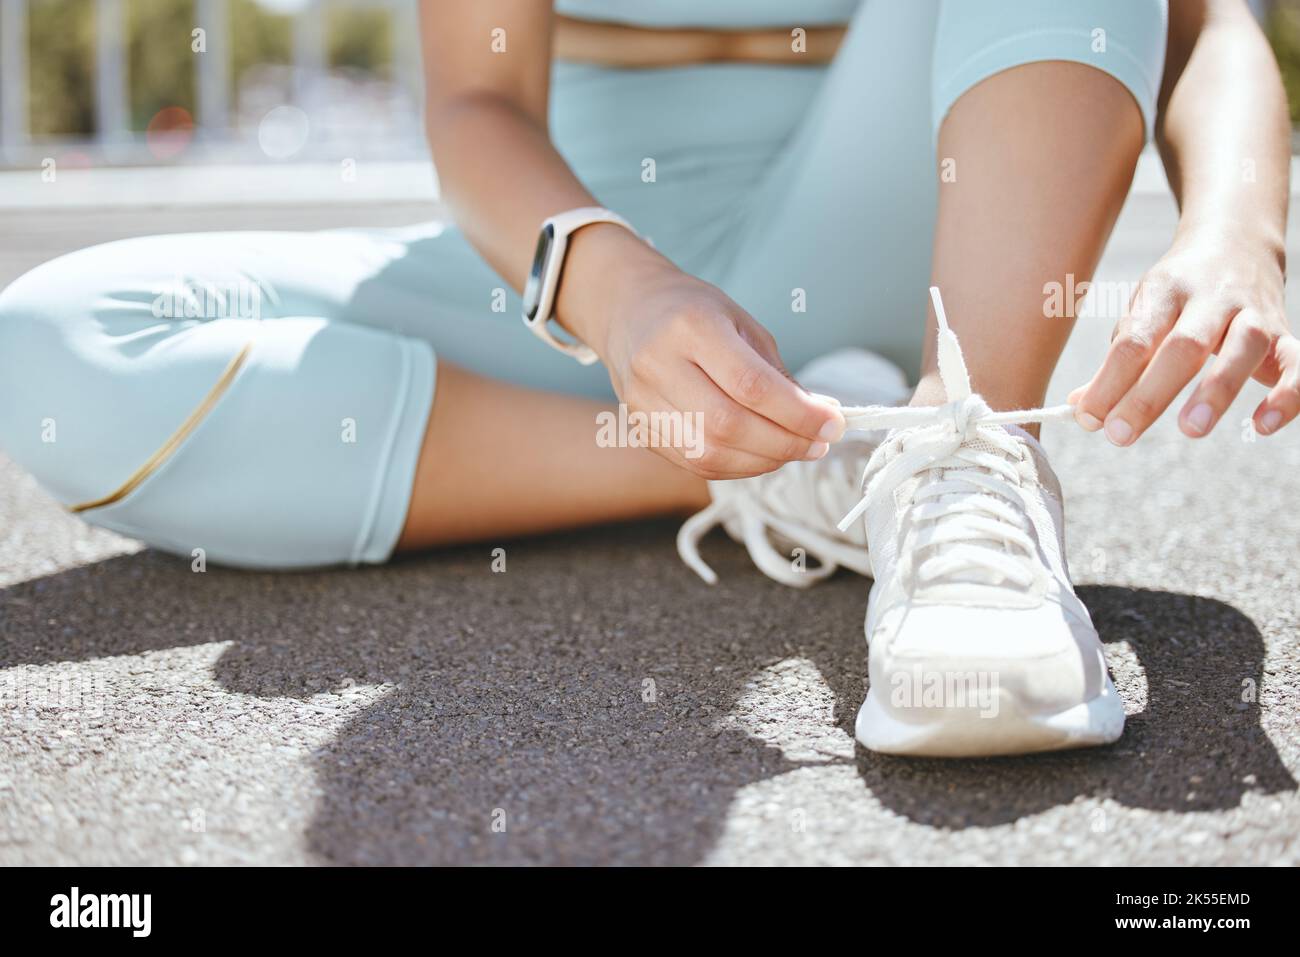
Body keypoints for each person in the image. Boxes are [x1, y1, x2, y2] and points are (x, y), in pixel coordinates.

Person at [0, 1, 1292, 756]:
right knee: (61, 342)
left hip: (902, 230)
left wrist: (1240, 225)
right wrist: (615, 293)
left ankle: (960, 454)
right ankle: (805, 458)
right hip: (602, 285)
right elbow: (477, 105)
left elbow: (1197, 20)